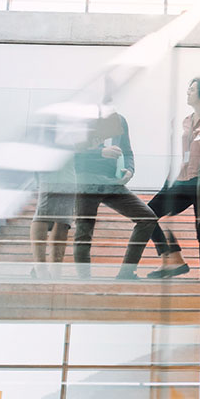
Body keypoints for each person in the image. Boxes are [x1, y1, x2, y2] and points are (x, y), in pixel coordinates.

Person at [73, 102, 180, 280]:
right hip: (87, 181)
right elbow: (74, 154)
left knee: (147, 218)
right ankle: (84, 281)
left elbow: (128, 152)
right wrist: (101, 152)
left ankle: (126, 272)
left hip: (112, 183)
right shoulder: (86, 121)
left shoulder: (120, 121)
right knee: (84, 232)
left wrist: (129, 170)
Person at [145, 76, 200, 279]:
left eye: (191, 90)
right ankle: (173, 258)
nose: (187, 93)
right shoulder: (186, 120)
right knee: (147, 214)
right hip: (181, 179)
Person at [30, 161, 74, 279]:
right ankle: (40, 267)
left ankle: (55, 268)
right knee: (44, 212)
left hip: (70, 164)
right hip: (54, 159)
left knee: (64, 218)